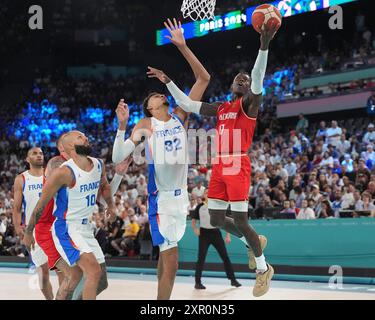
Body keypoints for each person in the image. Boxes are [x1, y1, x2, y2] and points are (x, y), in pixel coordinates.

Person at [159, 23, 279, 296]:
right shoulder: (221, 107)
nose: (243, 78)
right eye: (239, 78)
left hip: (238, 163)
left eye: (246, 80)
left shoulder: (248, 105)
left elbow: (259, 78)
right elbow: (189, 105)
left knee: (239, 219)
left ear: (249, 90)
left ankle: (263, 269)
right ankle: (253, 242)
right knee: (214, 217)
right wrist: (168, 82)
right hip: (219, 164)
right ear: (231, 84)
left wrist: (263, 45)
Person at [112, 18, 210, 300]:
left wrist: (183, 46)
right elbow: (119, 156)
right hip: (162, 200)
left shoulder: (181, 116)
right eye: (156, 96)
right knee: (173, 263)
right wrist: (122, 126)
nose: (162, 96)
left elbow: (203, 79)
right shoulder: (145, 124)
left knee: (164, 261)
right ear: (150, 107)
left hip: (182, 199)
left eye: (163, 94)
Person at [23, 131, 116, 300]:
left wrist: (111, 206)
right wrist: (29, 232)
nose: (86, 137)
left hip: (85, 228)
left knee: (101, 280)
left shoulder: (98, 164)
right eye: (80, 137)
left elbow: (104, 186)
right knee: (89, 272)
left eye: (85, 136)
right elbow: (40, 205)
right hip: (67, 228)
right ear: (70, 146)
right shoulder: (62, 172)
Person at [12, 147, 56, 300]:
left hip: (55, 227)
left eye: (41, 153)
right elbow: (16, 209)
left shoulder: (52, 176)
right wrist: (19, 229)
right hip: (34, 231)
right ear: (27, 159)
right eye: (34, 153)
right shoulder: (21, 179)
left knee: (64, 270)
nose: (39, 155)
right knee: (43, 273)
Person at [191, 190, 241, 289]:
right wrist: (195, 229)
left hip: (216, 234)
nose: (208, 194)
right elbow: (193, 220)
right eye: (206, 193)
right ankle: (197, 282)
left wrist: (228, 235)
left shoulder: (218, 207)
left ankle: (233, 280)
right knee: (201, 258)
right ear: (204, 195)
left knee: (225, 257)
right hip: (204, 234)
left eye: (209, 193)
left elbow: (225, 221)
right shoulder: (200, 207)